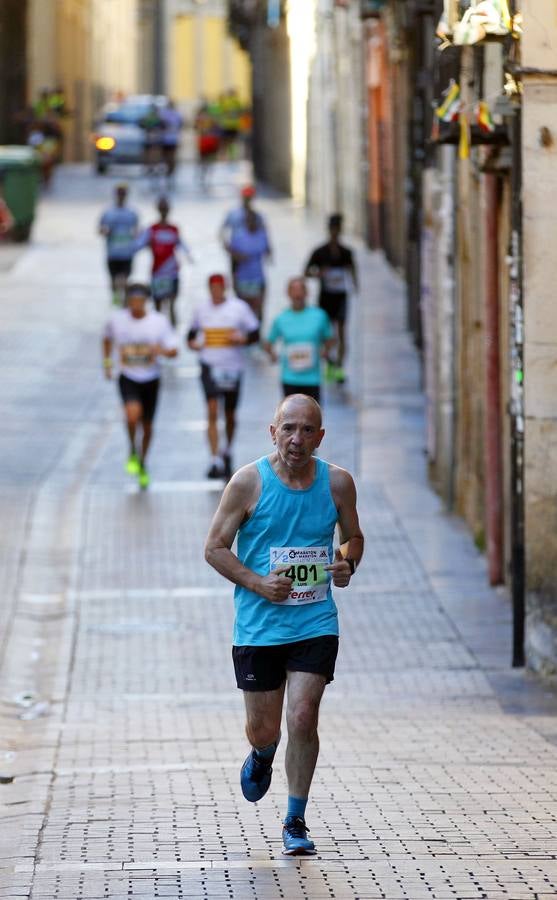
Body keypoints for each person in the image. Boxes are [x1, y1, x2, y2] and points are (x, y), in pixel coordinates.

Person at [204, 394, 364, 855]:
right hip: (259, 627)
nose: (297, 439)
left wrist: (347, 563)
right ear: (272, 432)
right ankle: (262, 754)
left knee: (303, 715)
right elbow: (214, 547)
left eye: (307, 430)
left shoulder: (337, 483)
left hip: (315, 620)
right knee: (265, 728)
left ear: (320, 436)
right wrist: (256, 582)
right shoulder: (248, 483)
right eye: (288, 429)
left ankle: (295, 819)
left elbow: (353, 538)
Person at [102, 282, 178, 489]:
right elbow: (107, 338)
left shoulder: (158, 322)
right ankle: (132, 448)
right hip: (127, 376)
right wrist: (108, 363)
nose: (136, 305)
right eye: (132, 301)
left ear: (146, 301)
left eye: (140, 301)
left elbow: (174, 350)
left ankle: (142, 460)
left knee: (148, 426)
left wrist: (159, 351)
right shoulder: (117, 320)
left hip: (151, 378)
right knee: (132, 415)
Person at [187, 273, 260, 479]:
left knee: (229, 414)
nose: (216, 292)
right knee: (211, 410)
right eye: (213, 288)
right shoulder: (201, 310)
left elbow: (255, 333)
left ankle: (227, 449)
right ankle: (214, 458)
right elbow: (190, 336)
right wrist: (194, 344)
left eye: (220, 288)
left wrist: (242, 338)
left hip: (232, 368)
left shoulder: (239, 308)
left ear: (225, 288)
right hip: (209, 365)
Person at [304, 214, 358, 384]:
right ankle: (330, 364)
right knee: (326, 334)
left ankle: (339, 368)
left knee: (342, 332)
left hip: (340, 296)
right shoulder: (319, 252)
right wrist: (320, 273)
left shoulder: (346, 252)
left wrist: (354, 284)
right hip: (325, 297)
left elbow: (352, 270)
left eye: (337, 229)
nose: (335, 232)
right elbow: (306, 272)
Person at [263, 277, 335, 403]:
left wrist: (325, 351)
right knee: (291, 418)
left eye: (300, 290)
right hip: (289, 378)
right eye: (294, 290)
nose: (297, 294)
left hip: (312, 378)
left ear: (306, 293)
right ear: (288, 293)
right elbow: (268, 342)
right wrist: (273, 355)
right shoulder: (281, 318)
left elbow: (330, 338)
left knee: (312, 418)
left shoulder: (319, 316)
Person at [135, 197, 192, 327]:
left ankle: (173, 337)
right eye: (162, 208)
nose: (164, 211)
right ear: (158, 210)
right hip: (157, 273)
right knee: (158, 308)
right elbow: (137, 246)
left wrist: (189, 256)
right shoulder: (152, 229)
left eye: (165, 208)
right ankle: (158, 333)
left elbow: (182, 244)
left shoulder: (174, 229)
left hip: (172, 272)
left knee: (172, 305)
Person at [219, 186, 271, 285]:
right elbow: (222, 233)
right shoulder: (233, 214)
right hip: (237, 253)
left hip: (254, 252)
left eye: (249, 197)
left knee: (257, 278)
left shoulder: (258, 215)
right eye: (245, 197)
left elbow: (264, 233)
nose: (247, 199)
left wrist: (268, 250)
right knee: (237, 279)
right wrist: (229, 250)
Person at [98, 184, 139, 306]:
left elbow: (137, 231)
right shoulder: (108, 212)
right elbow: (100, 229)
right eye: (119, 193)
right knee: (113, 279)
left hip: (126, 252)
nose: (121, 195)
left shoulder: (132, 213)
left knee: (125, 278)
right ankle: (116, 297)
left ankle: (124, 301)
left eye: (123, 193)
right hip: (113, 252)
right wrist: (106, 232)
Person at [228, 208, 271, 320]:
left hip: (258, 277)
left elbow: (269, 254)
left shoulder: (262, 236)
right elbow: (233, 262)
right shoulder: (237, 238)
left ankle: (258, 334)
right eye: (248, 220)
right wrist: (233, 279)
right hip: (242, 279)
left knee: (259, 309)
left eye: (253, 220)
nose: (251, 222)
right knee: (243, 311)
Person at [160, 100, 183, 179]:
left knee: (166, 155)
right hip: (173, 138)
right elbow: (181, 124)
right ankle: (171, 168)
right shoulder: (177, 114)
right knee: (171, 155)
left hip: (166, 138)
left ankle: (169, 168)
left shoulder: (163, 113)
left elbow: (161, 124)